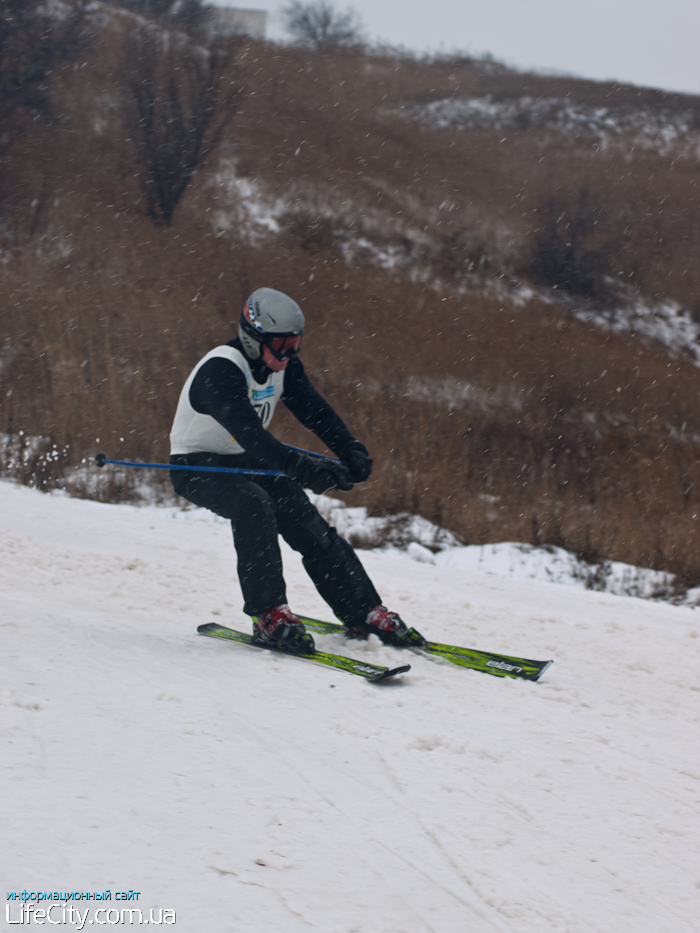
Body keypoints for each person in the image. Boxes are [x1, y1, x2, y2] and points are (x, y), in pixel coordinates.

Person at [169, 287, 425, 654]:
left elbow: (314, 410)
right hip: (195, 465)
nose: (289, 354)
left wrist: (348, 448)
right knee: (253, 505)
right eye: (281, 345)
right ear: (253, 338)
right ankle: (269, 614)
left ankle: (363, 611)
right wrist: (302, 468)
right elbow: (252, 435)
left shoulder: (282, 367)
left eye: (295, 344)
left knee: (303, 517)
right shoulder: (221, 370)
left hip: (241, 460)